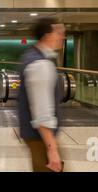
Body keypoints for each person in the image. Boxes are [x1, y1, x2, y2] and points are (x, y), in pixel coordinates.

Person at [17, 18, 65, 172]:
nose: (62, 36)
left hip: (38, 137)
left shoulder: (31, 56)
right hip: (41, 139)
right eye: (58, 32)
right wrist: (52, 149)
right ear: (47, 35)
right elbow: (42, 112)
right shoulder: (40, 65)